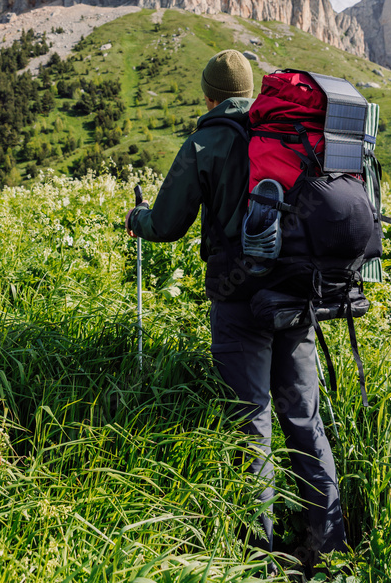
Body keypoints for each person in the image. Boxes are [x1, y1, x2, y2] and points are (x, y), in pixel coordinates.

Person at [125, 50, 348, 576]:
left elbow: (168, 224)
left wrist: (138, 218)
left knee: (251, 426)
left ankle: (257, 560)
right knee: (303, 419)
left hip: (240, 297)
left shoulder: (207, 141)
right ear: (250, 91)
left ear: (209, 95)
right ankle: (331, 552)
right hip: (297, 293)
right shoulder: (287, 132)